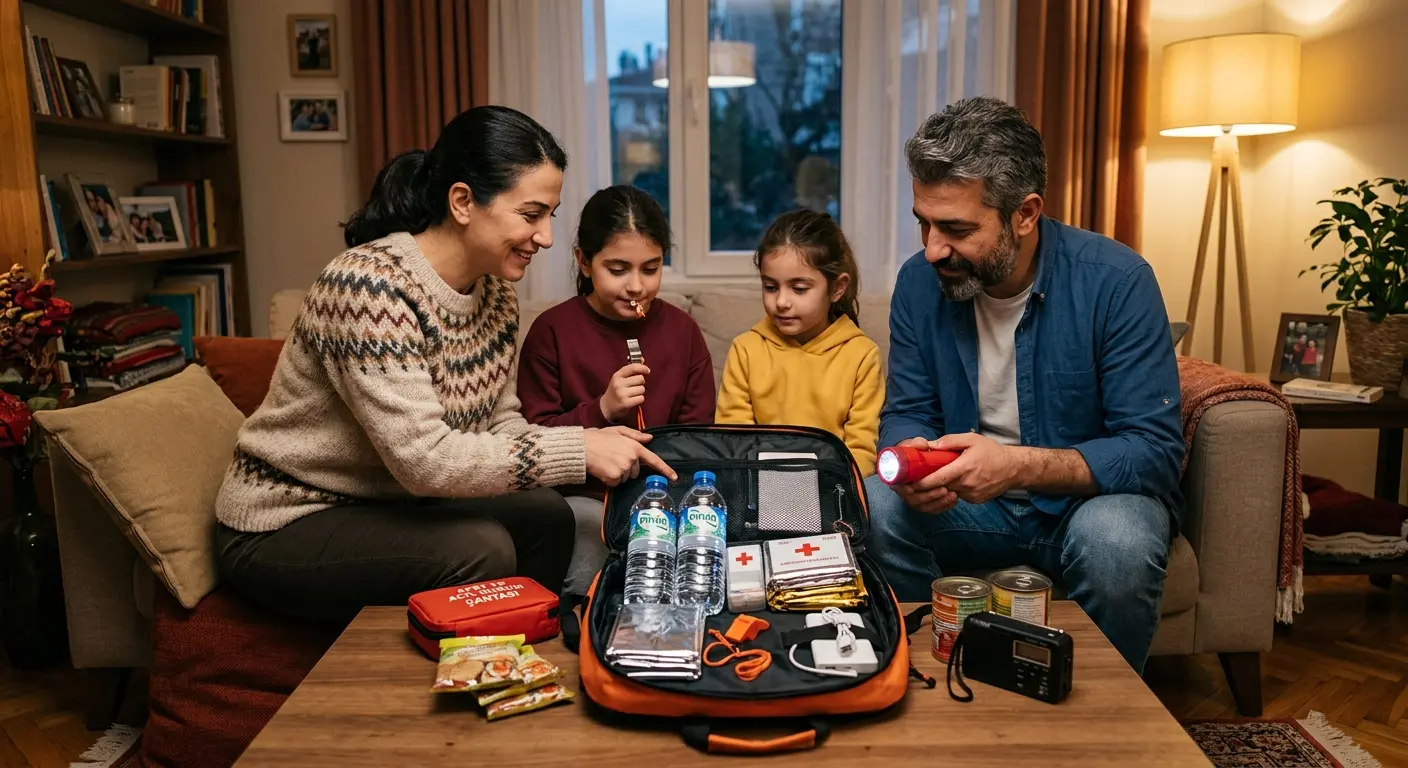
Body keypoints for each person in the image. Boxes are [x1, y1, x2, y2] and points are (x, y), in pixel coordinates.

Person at [213, 105, 676, 622]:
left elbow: (502, 424)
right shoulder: (368, 288)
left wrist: (586, 445)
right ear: (462, 202)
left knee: (547, 513)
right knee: (479, 548)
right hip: (289, 518)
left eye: (550, 214)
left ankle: (528, 647)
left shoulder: (496, 295)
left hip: (387, 502)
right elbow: (423, 460)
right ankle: (474, 672)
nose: (546, 236)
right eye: (530, 214)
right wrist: (580, 446)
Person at [865, 96, 1183, 673]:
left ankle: (1096, 722)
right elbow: (907, 411)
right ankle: (937, 681)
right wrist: (907, 455)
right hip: (967, 509)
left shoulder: (1117, 282)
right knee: (879, 504)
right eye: (924, 223)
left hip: (1086, 509)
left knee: (1119, 543)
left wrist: (1015, 466)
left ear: (1026, 213)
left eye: (956, 229)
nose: (933, 248)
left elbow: (1155, 453)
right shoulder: (918, 283)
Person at [517, 184, 715, 595]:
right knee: (591, 542)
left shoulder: (684, 332)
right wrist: (601, 409)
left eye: (651, 268)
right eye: (618, 269)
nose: (636, 287)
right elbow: (530, 440)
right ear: (584, 263)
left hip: (669, 494)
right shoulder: (552, 331)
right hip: (583, 497)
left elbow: (698, 435)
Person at [715, 209, 884, 474]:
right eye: (771, 287)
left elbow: (861, 452)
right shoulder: (745, 349)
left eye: (799, 289)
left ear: (837, 288)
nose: (781, 302)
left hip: (833, 489)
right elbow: (733, 441)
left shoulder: (862, 355)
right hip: (757, 484)